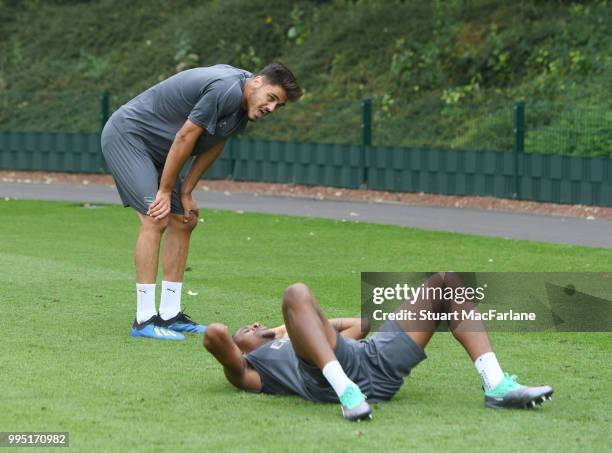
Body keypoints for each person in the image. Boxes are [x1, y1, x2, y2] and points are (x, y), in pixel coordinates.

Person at [101, 63, 302, 340]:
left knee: (185, 218)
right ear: (256, 82)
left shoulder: (242, 105)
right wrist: (165, 190)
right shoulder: (225, 89)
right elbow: (186, 135)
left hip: (160, 149)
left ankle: (170, 314)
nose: (271, 108)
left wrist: (186, 192)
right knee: (155, 217)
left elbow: (214, 144)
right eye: (271, 98)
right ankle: (144, 320)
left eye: (278, 106)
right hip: (129, 137)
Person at [203, 273, 553, 421]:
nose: (252, 325)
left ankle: (496, 385)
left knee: (444, 284)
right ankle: (347, 394)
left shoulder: (291, 335)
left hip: (371, 361)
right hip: (324, 382)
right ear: (241, 351)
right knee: (296, 292)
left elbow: (361, 325)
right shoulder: (251, 370)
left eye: (254, 323)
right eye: (245, 329)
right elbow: (215, 334)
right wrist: (246, 346)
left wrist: (287, 329)